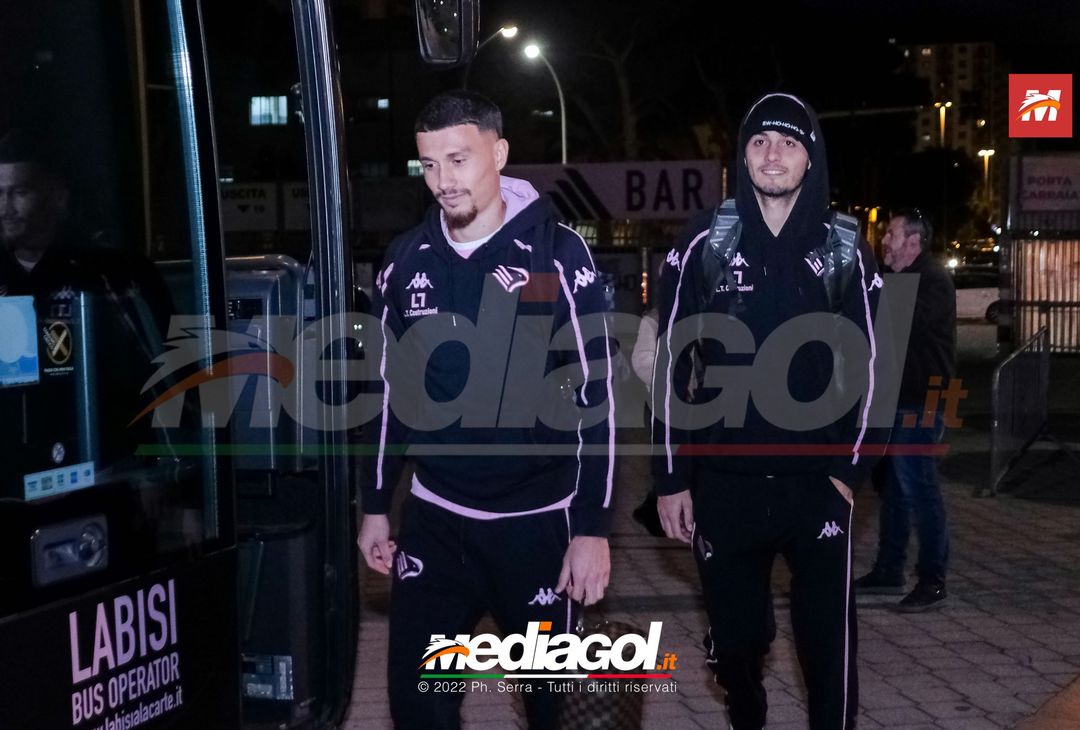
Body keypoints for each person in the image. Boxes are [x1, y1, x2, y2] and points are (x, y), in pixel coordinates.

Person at [356, 90, 615, 728]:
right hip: (436, 523)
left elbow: (597, 396)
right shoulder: (405, 263)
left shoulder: (558, 255)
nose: (443, 180)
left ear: (498, 154)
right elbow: (389, 393)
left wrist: (592, 529)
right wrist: (375, 506)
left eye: (459, 159)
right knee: (418, 708)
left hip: (537, 528)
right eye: (429, 164)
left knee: (554, 711)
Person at [651, 92, 885, 729]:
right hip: (724, 486)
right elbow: (671, 363)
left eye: (788, 142)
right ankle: (744, 706)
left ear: (810, 158)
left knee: (829, 651)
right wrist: (670, 478)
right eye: (759, 142)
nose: (773, 154)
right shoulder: (705, 240)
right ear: (742, 155)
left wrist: (850, 471)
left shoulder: (845, 247)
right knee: (737, 646)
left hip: (817, 487)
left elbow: (877, 368)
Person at [855, 209, 955, 611]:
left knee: (920, 489)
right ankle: (889, 569)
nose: (884, 241)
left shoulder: (932, 280)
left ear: (914, 242)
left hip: (924, 401)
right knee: (894, 491)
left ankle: (933, 578)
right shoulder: (896, 278)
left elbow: (894, 317)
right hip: (898, 400)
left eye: (892, 234)